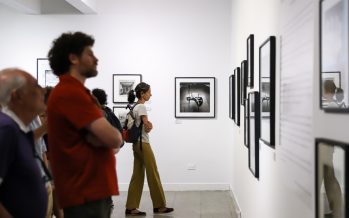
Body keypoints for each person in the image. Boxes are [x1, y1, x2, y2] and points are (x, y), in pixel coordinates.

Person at [47, 31, 123, 218]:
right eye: (89, 54)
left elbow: (111, 142)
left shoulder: (76, 92)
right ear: (73, 58)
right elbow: (114, 138)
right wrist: (106, 139)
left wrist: (102, 140)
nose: (96, 59)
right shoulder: (71, 93)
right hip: (85, 191)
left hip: (89, 190)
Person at [0, 68, 48, 218]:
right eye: (35, 87)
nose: (43, 92)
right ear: (17, 96)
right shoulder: (6, 129)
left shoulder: (15, 128)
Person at [125, 82, 174, 216]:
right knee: (153, 173)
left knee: (137, 175)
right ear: (142, 93)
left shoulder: (134, 106)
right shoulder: (141, 107)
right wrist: (150, 125)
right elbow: (147, 126)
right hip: (143, 144)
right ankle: (159, 206)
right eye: (149, 92)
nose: (150, 94)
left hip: (136, 145)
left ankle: (131, 207)